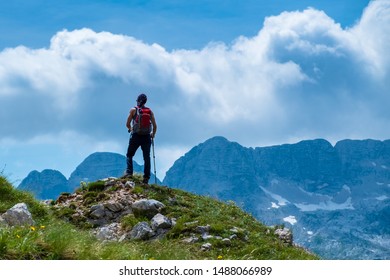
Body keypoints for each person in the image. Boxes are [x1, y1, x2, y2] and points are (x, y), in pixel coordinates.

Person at [124, 93, 157, 184]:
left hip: (136, 135)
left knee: (129, 154)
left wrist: (131, 129)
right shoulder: (149, 111)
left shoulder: (133, 110)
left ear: (138, 100)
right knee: (147, 157)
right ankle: (146, 178)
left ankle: (129, 173)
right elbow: (155, 126)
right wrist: (152, 135)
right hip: (146, 137)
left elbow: (127, 124)